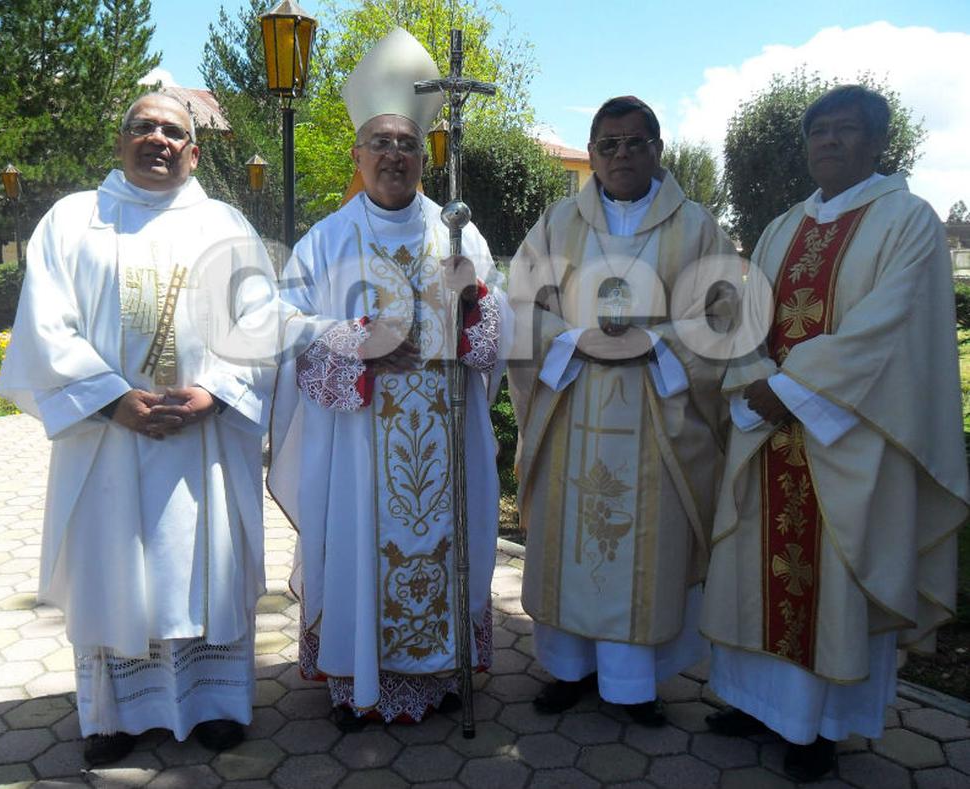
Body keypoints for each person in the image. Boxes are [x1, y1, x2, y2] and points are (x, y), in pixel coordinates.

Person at [0, 92, 275, 765]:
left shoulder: (225, 224)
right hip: (108, 440)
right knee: (111, 572)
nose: (157, 138)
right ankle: (114, 716)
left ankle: (214, 704)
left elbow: (261, 320)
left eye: (172, 130)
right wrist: (111, 398)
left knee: (202, 568)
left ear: (195, 150)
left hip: (201, 438)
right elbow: (45, 324)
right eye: (142, 126)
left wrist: (215, 392)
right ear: (119, 142)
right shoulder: (73, 221)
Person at [700, 85, 969, 782]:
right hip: (771, 434)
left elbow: (886, 332)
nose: (826, 141)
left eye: (844, 130)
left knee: (832, 583)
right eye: (817, 131)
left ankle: (816, 725)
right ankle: (754, 702)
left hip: (848, 438)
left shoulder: (906, 221)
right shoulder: (782, 224)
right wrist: (755, 375)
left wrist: (786, 389)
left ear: (878, 143)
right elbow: (749, 313)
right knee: (757, 569)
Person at [267, 28, 509, 731]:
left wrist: (475, 306)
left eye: (408, 143)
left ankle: (442, 670)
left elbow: (494, 336)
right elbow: (283, 324)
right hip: (358, 443)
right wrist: (352, 341)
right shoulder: (327, 240)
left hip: (445, 432)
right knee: (356, 543)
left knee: (449, 539)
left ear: (426, 154)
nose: (395, 156)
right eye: (381, 143)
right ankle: (356, 678)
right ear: (358, 155)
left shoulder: (460, 235)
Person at [507, 96, 737, 724]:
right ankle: (566, 671)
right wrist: (578, 338)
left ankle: (633, 687)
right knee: (568, 545)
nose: (621, 155)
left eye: (635, 143)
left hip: (655, 413)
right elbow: (521, 307)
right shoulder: (558, 223)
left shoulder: (697, 228)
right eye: (607, 145)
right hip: (571, 401)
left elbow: (723, 318)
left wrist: (656, 343)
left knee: (643, 550)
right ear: (593, 152)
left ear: (657, 150)